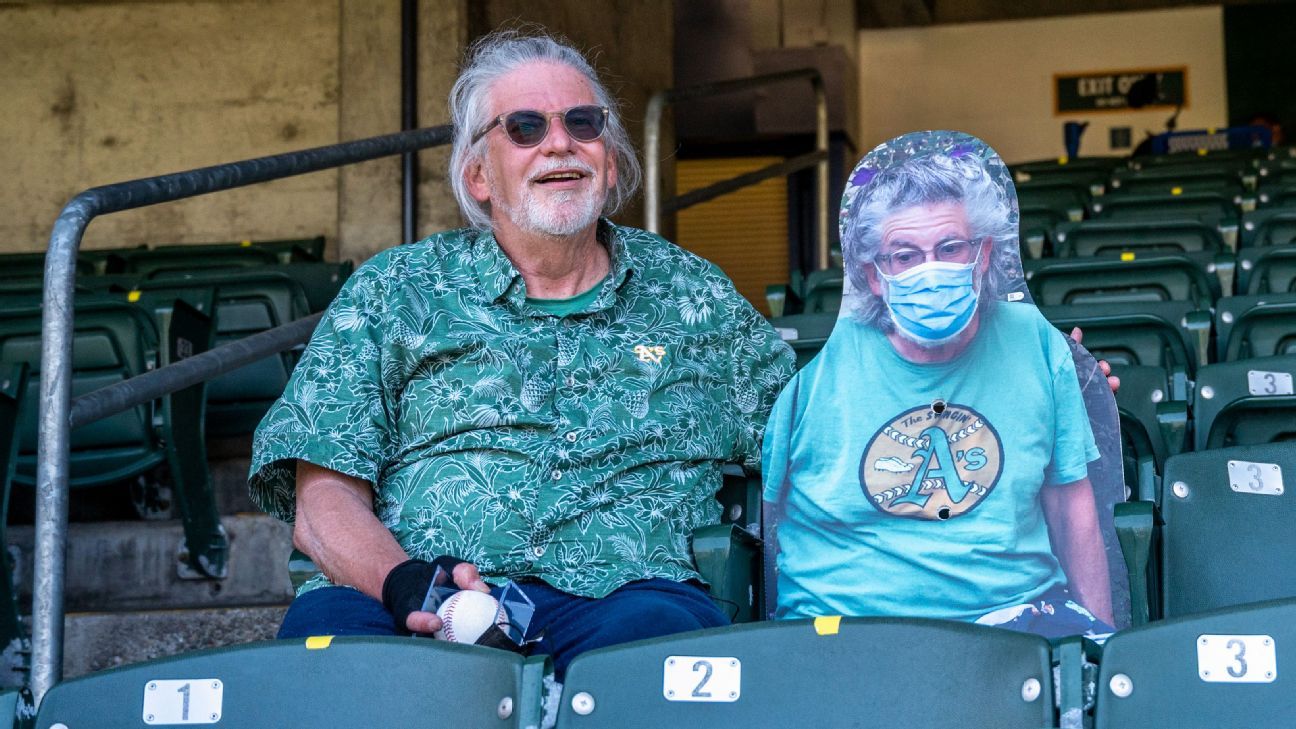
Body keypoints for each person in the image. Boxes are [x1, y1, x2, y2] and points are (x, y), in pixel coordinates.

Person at [249, 30, 795, 676]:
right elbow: (321, 505)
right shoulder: (396, 292)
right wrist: (408, 586)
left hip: (628, 600)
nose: (559, 142)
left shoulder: (694, 297)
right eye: (526, 127)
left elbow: (809, 436)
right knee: (330, 652)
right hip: (416, 599)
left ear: (610, 162)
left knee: (663, 651)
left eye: (582, 123)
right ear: (478, 174)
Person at [763, 131, 1116, 639]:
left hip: (1013, 620)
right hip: (846, 627)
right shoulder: (811, 372)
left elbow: (1073, 508)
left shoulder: (1038, 344)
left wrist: (1099, 644)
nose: (929, 269)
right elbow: (770, 521)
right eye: (904, 255)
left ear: (985, 253)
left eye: (950, 248)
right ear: (875, 274)